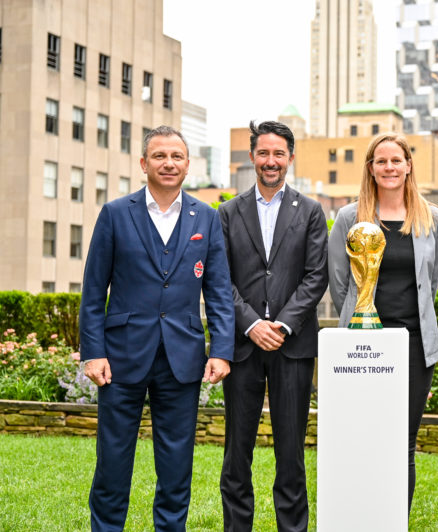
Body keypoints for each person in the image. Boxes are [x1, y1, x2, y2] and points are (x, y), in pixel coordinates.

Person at [79, 125, 235, 531]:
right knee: (113, 462)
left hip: (182, 358)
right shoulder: (115, 214)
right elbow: (93, 291)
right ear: (143, 163)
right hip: (121, 357)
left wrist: (221, 350)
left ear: (188, 164)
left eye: (176, 156)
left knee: (176, 464)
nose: (169, 163)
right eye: (160, 156)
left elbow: (219, 290)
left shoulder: (207, 217)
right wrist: (93, 352)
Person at [218, 120, 329, 532]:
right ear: (252, 157)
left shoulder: (311, 211)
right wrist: (251, 324)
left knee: (291, 452)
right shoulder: (228, 212)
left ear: (290, 158)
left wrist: (281, 325)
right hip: (242, 345)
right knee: (237, 452)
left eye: (278, 153)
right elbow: (219, 278)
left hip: (292, 346)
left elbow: (316, 276)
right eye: (263, 153)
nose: (270, 161)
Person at [328, 132, 438, 511]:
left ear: (409, 165)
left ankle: (395, 518)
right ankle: (360, 514)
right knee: (363, 435)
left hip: (413, 347)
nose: (389, 167)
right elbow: (339, 283)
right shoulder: (349, 217)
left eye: (397, 160)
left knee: (403, 440)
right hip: (363, 344)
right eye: (381, 161)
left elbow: (432, 281)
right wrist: (359, 323)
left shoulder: (433, 218)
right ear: (371, 168)